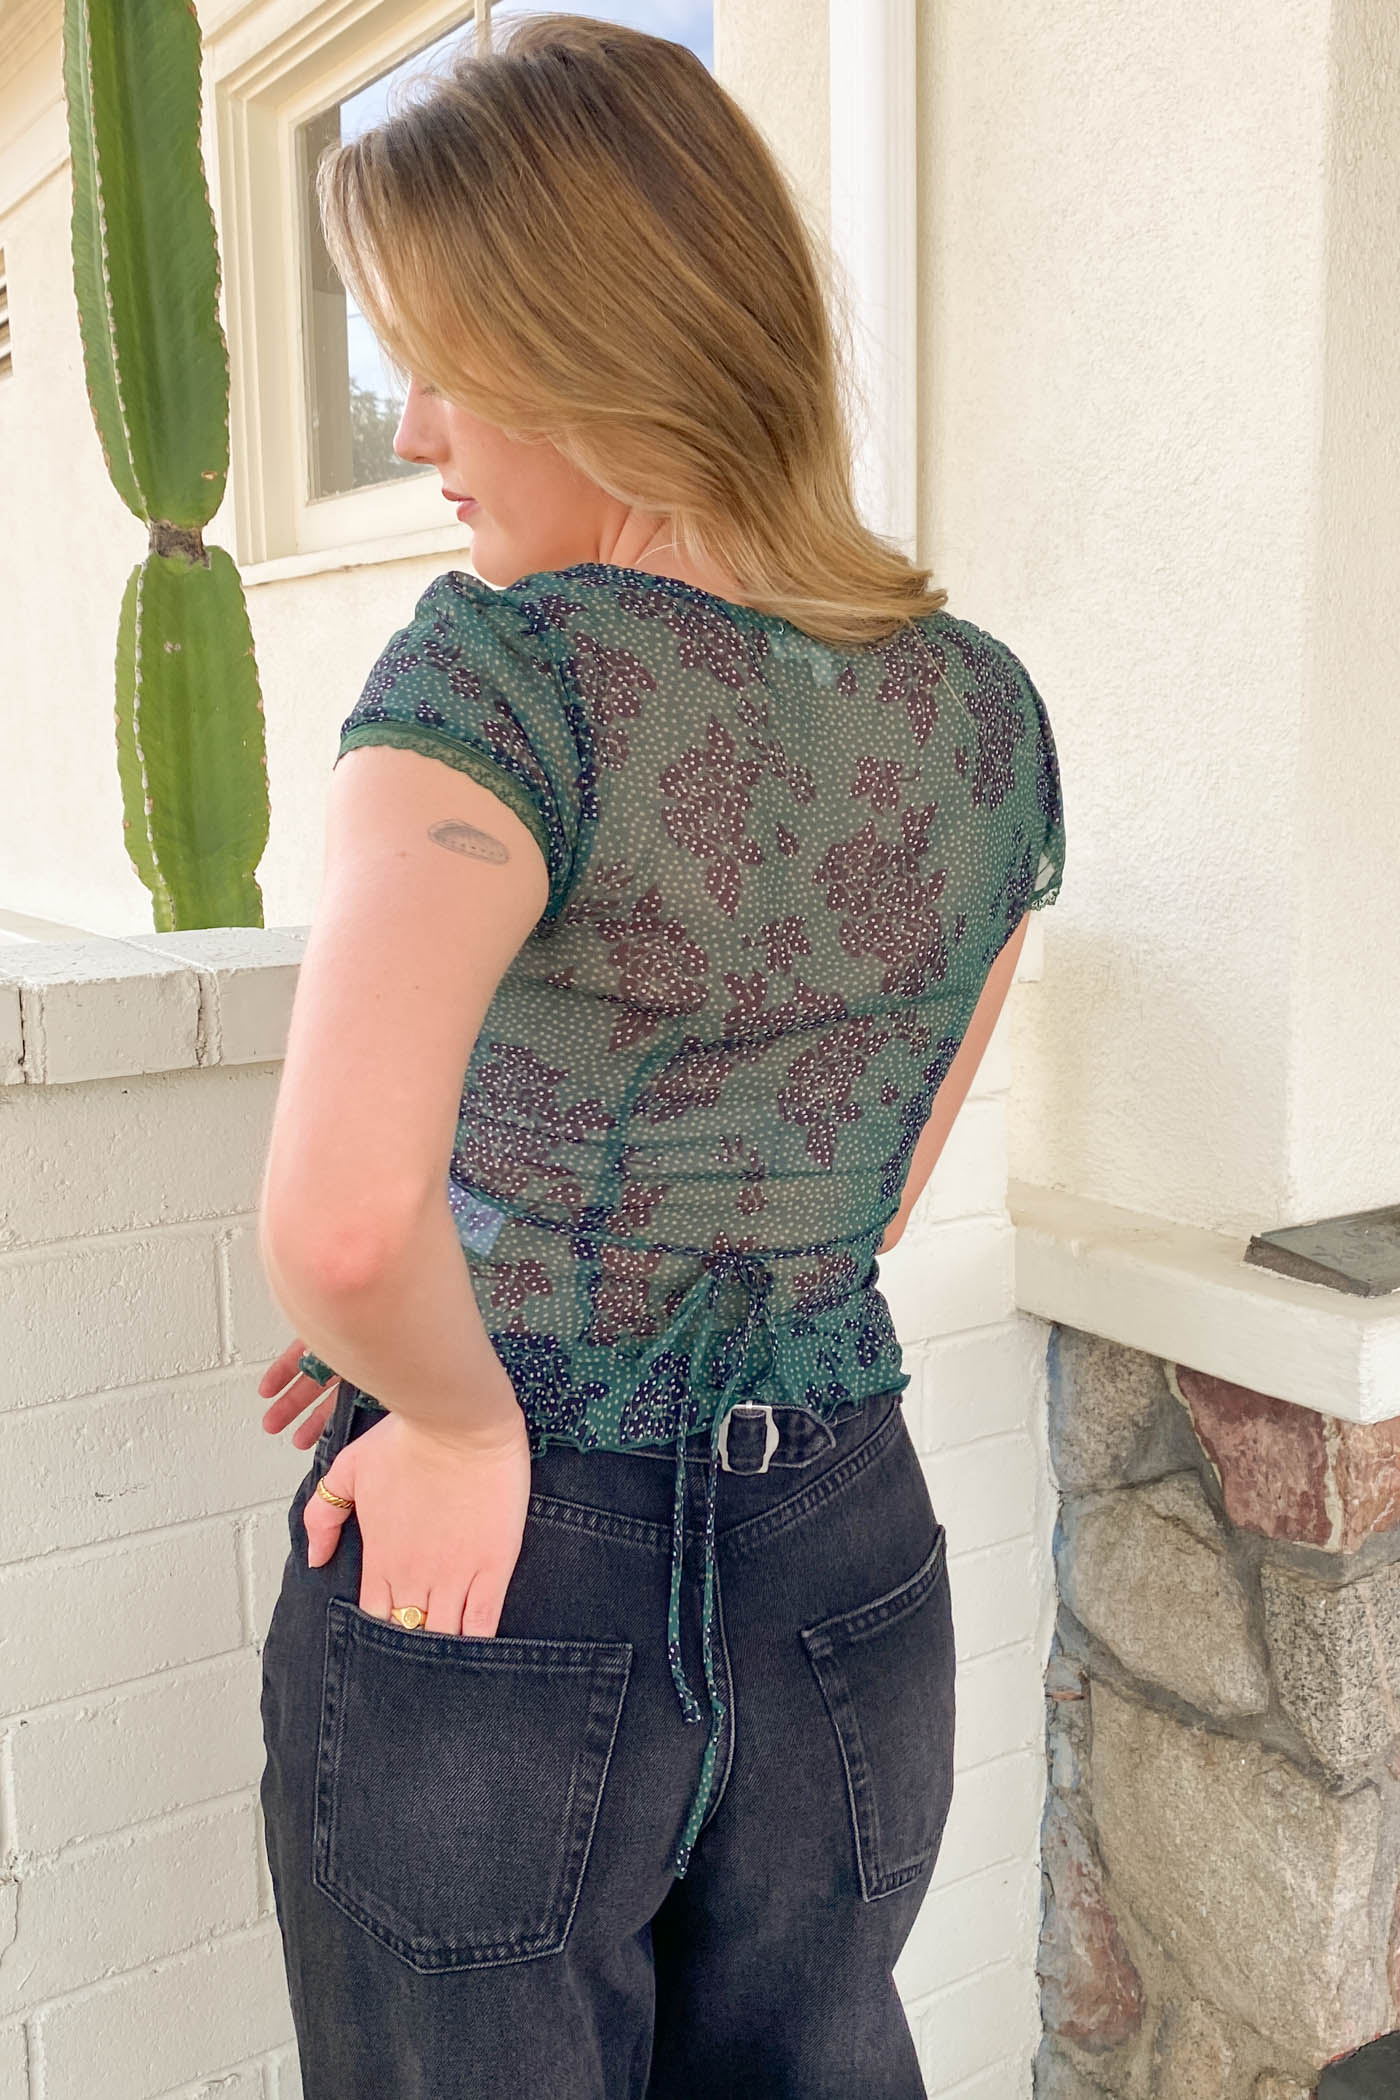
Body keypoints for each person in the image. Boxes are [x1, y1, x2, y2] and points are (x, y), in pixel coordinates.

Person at [254, 13, 1066, 2099]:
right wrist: (451, 1296)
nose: (414, 423)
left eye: (444, 355)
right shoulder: (983, 712)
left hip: (515, 1589)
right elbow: (856, 1184)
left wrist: (449, 1406)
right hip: (846, 1559)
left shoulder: (499, 680)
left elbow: (341, 1223)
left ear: (595, 341)